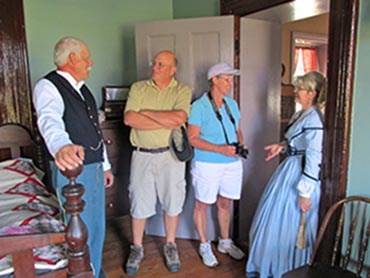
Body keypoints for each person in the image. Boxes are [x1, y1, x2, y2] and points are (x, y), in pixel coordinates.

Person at [33, 36, 114, 278]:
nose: (90, 63)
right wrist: (62, 147)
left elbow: (95, 132)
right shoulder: (48, 86)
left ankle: (95, 271)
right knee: (80, 227)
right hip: (73, 170)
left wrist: (106, 166)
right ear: (72, 58)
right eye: (87, 58)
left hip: (95, 167)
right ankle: (84, 273)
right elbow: (49, 120)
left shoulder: (84, 90)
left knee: (98, 226)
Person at [246, 71, 326, 278]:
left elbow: (314, 156)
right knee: (272, 221)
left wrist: (305, 192)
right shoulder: (300, 114)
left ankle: (287, 270)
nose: (295, 92)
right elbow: (296, 142)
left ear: (313, 93)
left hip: (300, 174)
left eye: (300, 88)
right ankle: (271, 268)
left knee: (290, 225)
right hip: (289, 168)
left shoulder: (315, 119)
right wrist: (282, 146)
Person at [123, 50, 192, 275]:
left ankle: (170, 245)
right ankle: (137, 247)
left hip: (170, 156)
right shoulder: (138, 88)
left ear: (173, 69)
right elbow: (129, 118)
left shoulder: (182, 90)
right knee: (138, 202)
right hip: (141, 155)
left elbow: (179, 119)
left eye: (162, 65)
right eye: (155, 63)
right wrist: (164, 118)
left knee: (172, 202)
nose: (155, 67)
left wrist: (145, 113)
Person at [187, 63, 246, 268]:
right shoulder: (199, 106)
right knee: (202, 205)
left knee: (225, 203)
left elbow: (238, 130)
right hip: (207, 163)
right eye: (226, 79)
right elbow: (192, 138)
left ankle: (225, 242)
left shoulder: (232, 104)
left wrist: (241, 144)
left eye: (232, 79)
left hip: (232, 162)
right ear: (214, 79)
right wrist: (220, 149)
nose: (230, 83)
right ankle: (204, 245)